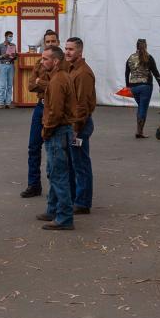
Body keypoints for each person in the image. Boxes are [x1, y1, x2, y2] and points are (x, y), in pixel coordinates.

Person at [36, 45, 78, 230]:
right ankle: (53, 209)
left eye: (45, 59)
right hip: (62, 130)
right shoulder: (60, 77)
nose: (42, 61)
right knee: (55, 172)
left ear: (55, 61)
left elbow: (56, 111)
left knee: (58, 174)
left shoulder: (57, 80)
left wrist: (46, 130)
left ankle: (64, 217)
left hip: (57, 131)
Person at [21, 30, 60, 198]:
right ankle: (34, 184)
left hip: (55, 108)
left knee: (55, 149)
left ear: (58, 42)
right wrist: (44, 84)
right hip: (40, 106)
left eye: (53, 41)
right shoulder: (40, 63)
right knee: (33, 147)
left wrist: (41, 82)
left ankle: (57, 187)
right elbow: (30, 86)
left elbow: (58, 87)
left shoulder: (63, 65)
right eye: (48, 41)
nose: (50, 43)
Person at [65, 37, 97, 214]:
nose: (67, 52)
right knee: (73, 161)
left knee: (80, 163)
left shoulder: (83, 73)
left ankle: (83, 202)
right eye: (66, 48)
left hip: (80, 125)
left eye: (71, 49)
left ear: (80, 52)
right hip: (74, 123)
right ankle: (76, 197)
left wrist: (76, 129)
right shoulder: (72, 69)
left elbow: (82, 105)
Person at [124, 38, 160, 138]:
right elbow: (155, 72)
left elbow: (127, 73)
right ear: (146, 46)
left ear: (136, 46)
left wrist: (128, 86)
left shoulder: (130, 58)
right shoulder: (149, 57)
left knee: (141, 107)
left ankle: (139, 130)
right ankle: (139, 132)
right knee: (143, 109)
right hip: (146, 86)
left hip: (133, 87)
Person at [0, 31, 19, 109]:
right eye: (9, 36)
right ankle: (1, 102)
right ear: (5, 36)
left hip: (11, 65)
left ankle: (8, 103)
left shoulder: (13, 45)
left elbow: (15, 57)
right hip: (3, 65)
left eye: (12, 36)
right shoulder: (0, 46)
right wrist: (3, 55)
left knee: (10, 84)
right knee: (2, 85)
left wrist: (15, 55)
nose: (11, 38)